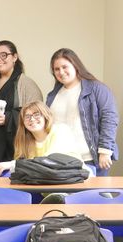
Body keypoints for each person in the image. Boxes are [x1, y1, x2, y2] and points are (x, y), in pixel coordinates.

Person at [47, 48, 119, 176]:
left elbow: (110, 119)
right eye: (56, 69)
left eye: (65, 67)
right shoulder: (52, 95)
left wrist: (105, 151)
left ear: (75, 66)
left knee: (94, 196)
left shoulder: (96, 88)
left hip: (91, 159)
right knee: (67, 197)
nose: (61, 72)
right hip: (62, 161)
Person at [0, 40, 43, 165]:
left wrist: (8, 118)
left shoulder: (27, 85)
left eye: (4, 55)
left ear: (14, 57)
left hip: (15, 146)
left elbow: (38, 115)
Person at [0, 101, 83, 176]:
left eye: (36, 114)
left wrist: (12, 164)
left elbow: (50, 162)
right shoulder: (26, 142)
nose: (32, 119)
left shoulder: (61, 130)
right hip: (47, 189)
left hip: (77, 185)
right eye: (27, 117)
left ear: (46, 116)